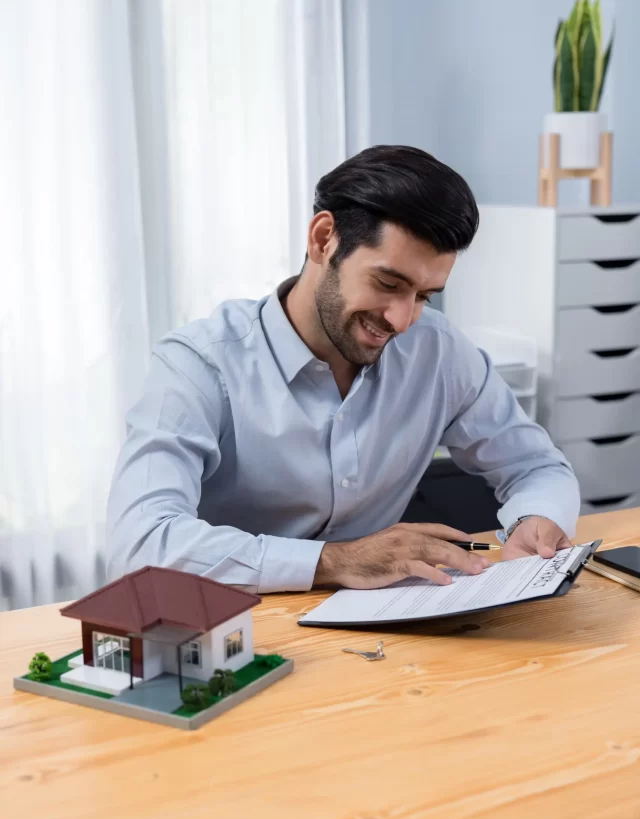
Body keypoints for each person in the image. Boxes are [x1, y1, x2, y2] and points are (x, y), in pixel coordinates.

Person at [105, 145, 579, 593]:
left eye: (424, 296)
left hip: (390, 636)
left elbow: (535, 464)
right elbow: (140, 543)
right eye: (388, 282)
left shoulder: (438, 349)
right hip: (240, 636)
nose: (402, 318)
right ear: (323, 239)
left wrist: (535, 518)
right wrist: (337, 561)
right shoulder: (200, 364)